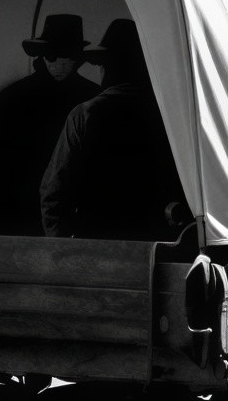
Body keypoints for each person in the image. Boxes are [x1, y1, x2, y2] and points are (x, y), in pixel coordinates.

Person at [39, 18, 188, 240]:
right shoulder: (172, 116)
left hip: (95, 242)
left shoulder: (84, 115)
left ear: (106, 66)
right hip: (156, 243)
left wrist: (62, 251)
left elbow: (53, 193)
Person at [0, 13, 98, 225]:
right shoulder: (15, 97)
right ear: (42, 55)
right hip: (18, 214)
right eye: (52, 56)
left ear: (77, 59)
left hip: (75, 216)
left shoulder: (93, 99)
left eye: (67, 57)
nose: (60, 64)